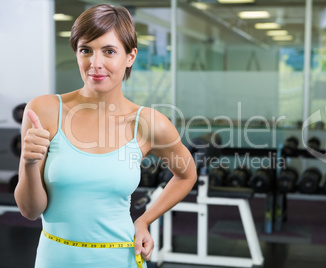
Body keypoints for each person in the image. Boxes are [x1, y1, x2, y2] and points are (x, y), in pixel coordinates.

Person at [14, 4, 197, 268]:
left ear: (130, 56)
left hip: (119, 259)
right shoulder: (43, 110)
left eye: (109, 51)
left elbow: (187, 174)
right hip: (55, 259)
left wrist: (144, 220)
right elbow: (30, 211)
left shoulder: (147, 123)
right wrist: (29, 163)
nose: (95, 63)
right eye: (85, 50)